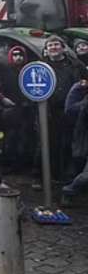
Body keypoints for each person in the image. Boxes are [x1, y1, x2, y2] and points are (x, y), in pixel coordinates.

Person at [43, 35, 88, 181]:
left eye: (56, 45)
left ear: (63, 48)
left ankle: (71, 176)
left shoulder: (76, 65)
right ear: (46, 50)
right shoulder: (42, 66)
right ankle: (52, 175)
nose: (53, 48)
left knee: (71, 144)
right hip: (51, 112)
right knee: (52, 144)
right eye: (50, 46)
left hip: (74, 112)